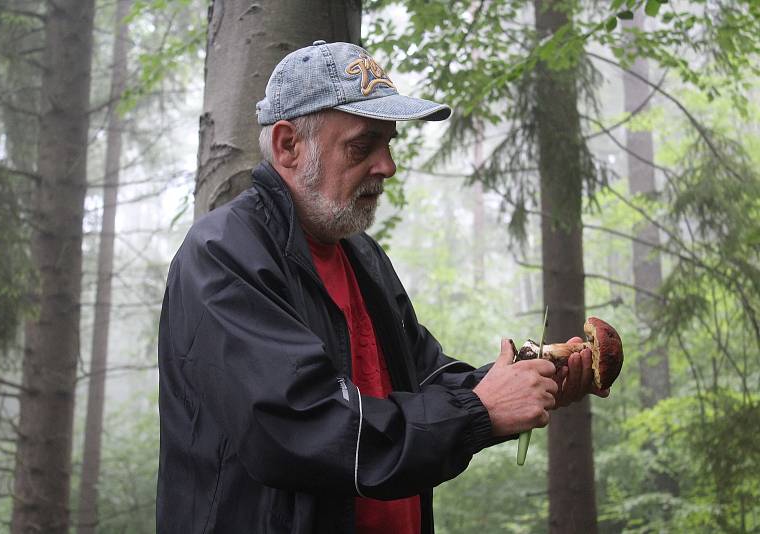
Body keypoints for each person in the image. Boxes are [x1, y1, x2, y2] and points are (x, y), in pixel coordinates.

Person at [156, 40, 608, 534]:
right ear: (289, 145)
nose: (387, 165)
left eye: (388, 143)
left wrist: (527, 378)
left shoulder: (359, 253)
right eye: (361, 145)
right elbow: (302, 428)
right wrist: (480, 411)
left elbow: (426, 384)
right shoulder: (225, 254)